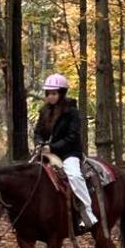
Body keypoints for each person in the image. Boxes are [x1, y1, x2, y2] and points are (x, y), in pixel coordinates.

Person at [33, 73, 97, 231]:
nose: (50, 97)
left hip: (69, 153)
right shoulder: (44, 111)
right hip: (48, 152)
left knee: (74, 176)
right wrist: (40, 142)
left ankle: (87, 213)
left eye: (54, 93)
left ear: (61, 93)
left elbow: (73, 137)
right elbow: (38, 132)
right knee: (29, 172)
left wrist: (52, 147)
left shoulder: (72, 112)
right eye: (48, 93)